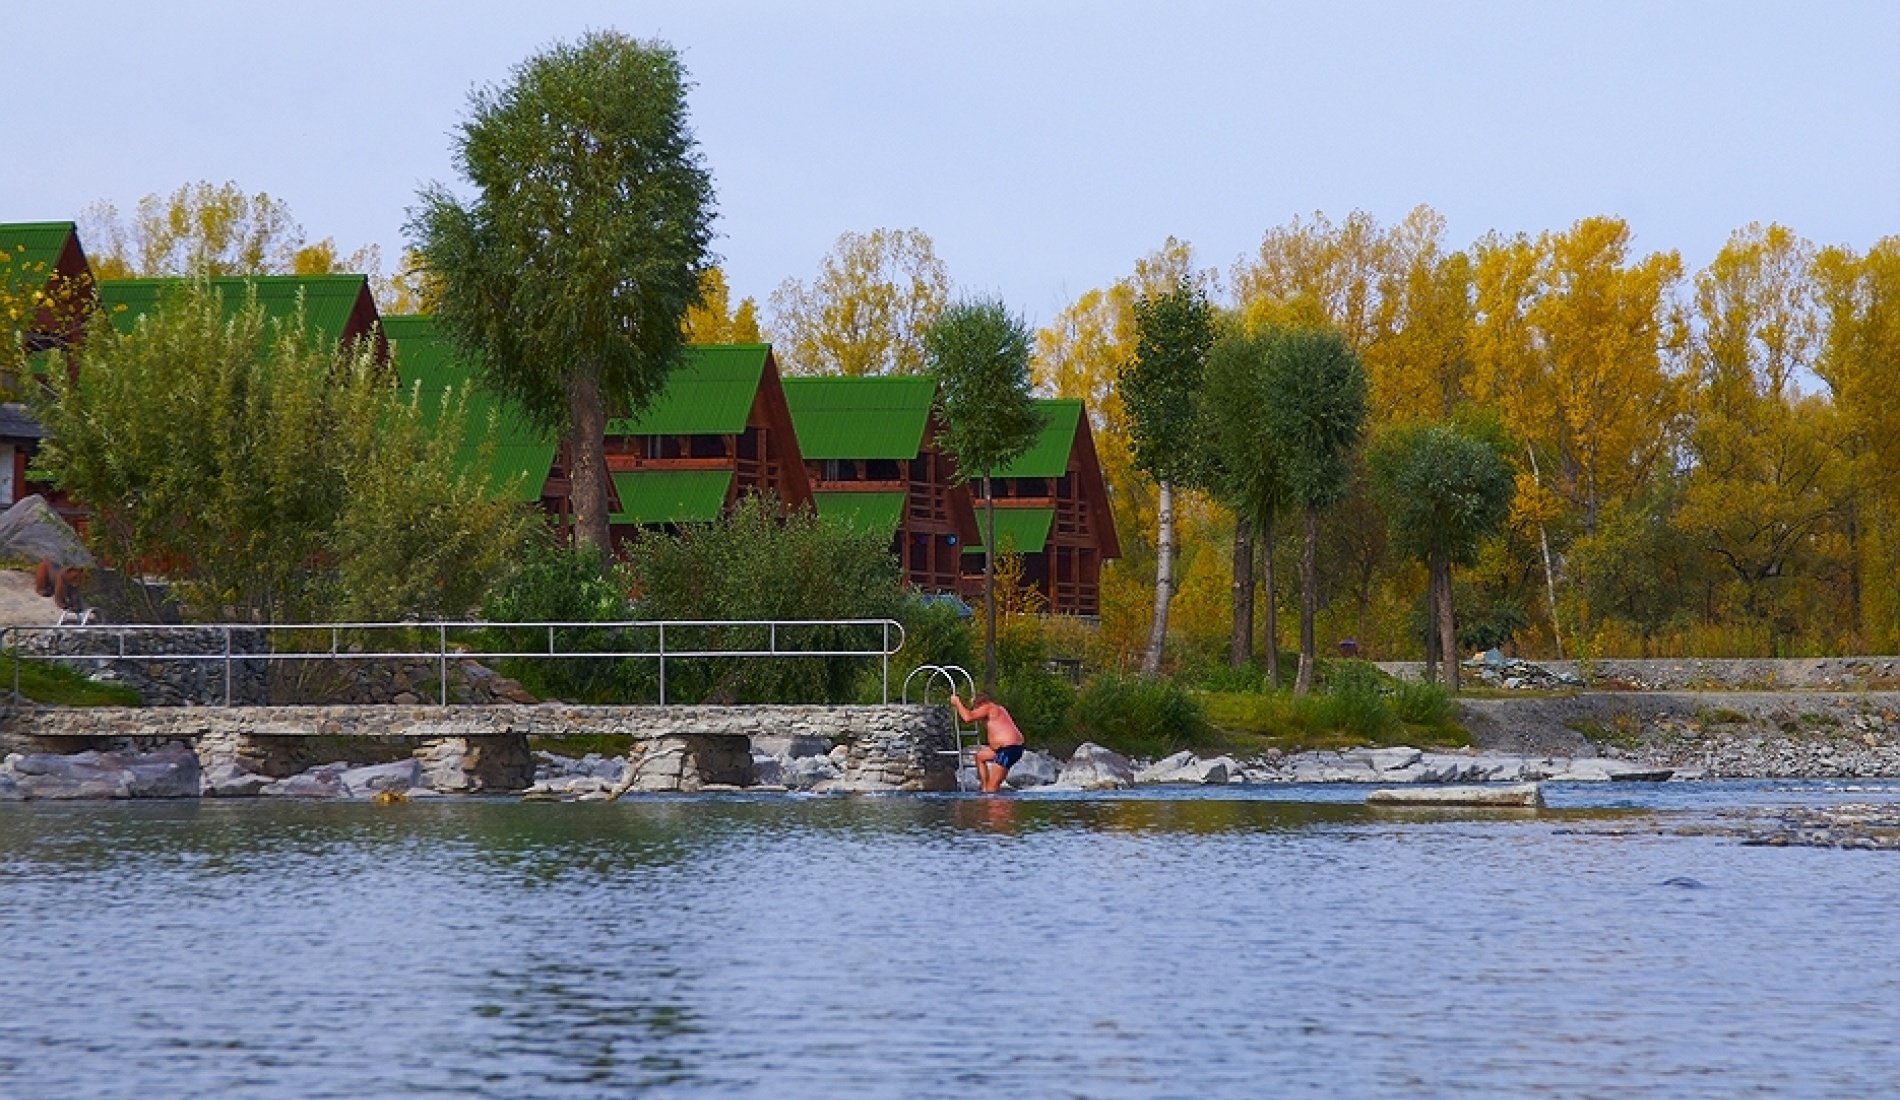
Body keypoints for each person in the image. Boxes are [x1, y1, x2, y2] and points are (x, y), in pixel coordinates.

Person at [949, 692, 1025, 793]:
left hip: (1008, 749)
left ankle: (993, 802)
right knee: (980, 756)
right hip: (1009, 747)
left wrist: (957, 703)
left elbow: (968, 717)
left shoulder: (988, 708)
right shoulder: (999, 709)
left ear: (980, 704)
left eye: (975, 708)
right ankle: (984, 788)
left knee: (992, 788)